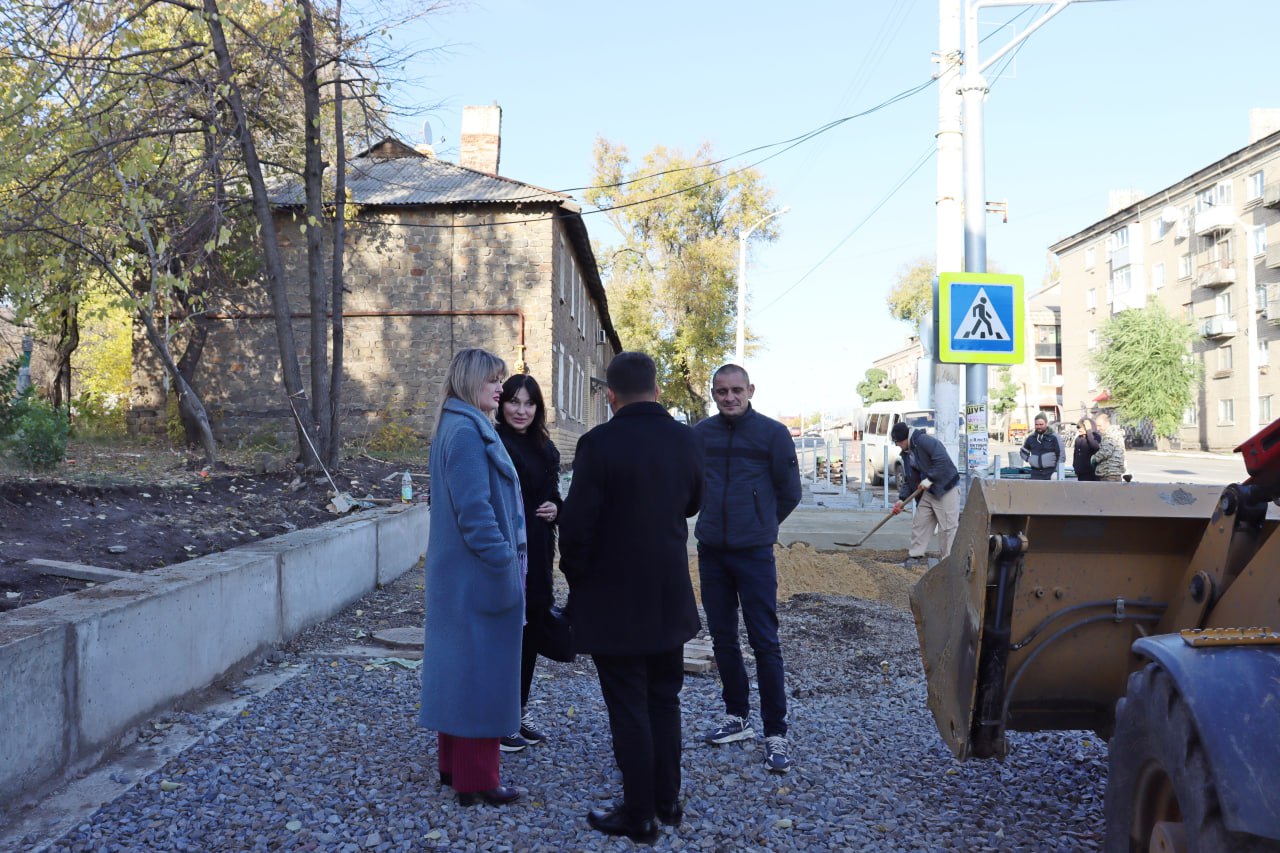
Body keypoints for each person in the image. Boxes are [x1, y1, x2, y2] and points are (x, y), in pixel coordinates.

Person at [558, 352, 705, 844]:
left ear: (610, 395)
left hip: (613, 597)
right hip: (667, 593)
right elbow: (693, 503)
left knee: (628, 706)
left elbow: (577, 526)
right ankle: (667, 799)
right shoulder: (686, 439)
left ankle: (639, 814)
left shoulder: (598, 443)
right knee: (664, 700)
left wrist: (575, 579)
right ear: (658, 390)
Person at [419, 348, 525, 807]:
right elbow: (475, 512)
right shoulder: (466, 431)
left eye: (500, 379)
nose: (500, 388)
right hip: (477, 574)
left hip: (460, 574)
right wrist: (502, 562)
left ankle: (453, 768)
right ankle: (478, 781)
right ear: (468, 382)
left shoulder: (457, 424)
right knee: (483, 674)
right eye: (492, 381)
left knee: (459, 671)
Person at [693, 364, 802, 774]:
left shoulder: (773, 434)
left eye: (737, 390)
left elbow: (789, 492)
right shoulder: (700, 435)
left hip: (754, 553)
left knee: (764, 641)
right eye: (721, 391)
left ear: (751, 390)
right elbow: (690, 486)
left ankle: (776, 732)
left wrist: (760, 525)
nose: (729, 397)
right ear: (713, 393)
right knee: (723, 638)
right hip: (712, 552)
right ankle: (736, 716)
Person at [494, 374, 563, 753]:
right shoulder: (496, 443)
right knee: (508, 634)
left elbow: (551, 495)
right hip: (507, 551)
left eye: (529, 403)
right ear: (502, 404)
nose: (521, 410)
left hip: (538, 550)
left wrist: (558, 509)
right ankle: (500, 719)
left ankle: (517, 712)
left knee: (532, 629)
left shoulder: (543, 446)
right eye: (514, 402)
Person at [891, 420, 960, 568]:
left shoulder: (924, 441)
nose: (897, 445)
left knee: (948, 528)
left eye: (897, 442)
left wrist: (931, 478)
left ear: (904, 439)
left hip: (946, 487)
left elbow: (943, 462)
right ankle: (915, 556)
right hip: (930, 491)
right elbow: (911, 480)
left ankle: (948, 562)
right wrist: (901, 500)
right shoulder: (907, 454)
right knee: (920, 522)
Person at [1020, 412, 1064, 480]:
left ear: (1046, 424)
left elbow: (1061, 455)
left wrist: (1057, 471)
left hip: (1050, 472)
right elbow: (1023, 452)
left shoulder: (1054, 437)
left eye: (1041, 424)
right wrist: (1029, 459)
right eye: (1036, 424)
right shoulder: (1031, 438)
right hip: (1035, 473)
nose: (1039, 426)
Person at [1092, 411, 1127, 482]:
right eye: (1097, 426)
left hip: (1108, 473)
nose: (1098, 429)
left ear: (1107, 423)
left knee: (1106, 493)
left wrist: (1093, 459)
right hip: (1114, 473)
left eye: (1100, 426)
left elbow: (1105, 451)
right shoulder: (1115, 433)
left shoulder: (1109, 434)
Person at [1073, 417, 1102, 481]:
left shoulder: (1095, 436)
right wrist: (1075, 466)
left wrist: (1089, 431)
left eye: (1081, 428)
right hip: (1080, 471)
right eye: (1078, 428)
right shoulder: (1078, 439)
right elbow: (1075, 454)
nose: (1079, 430)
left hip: (1091, 472)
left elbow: (1095, 446)